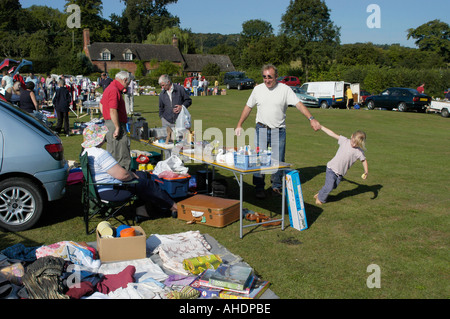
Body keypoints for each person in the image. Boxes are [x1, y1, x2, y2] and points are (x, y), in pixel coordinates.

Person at [235, 64, 321, 199]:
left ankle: (276, 186)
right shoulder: (257, 90)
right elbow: (248, 107)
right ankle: (259, 188)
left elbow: (299, 105)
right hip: (261, 128)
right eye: (264, 77)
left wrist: (311, 119)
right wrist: (239, 124)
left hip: (278, 131)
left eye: (270, 77)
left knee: (278, 161)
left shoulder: (285, 90)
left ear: (276, 77)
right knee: (259, 160)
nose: (267, 80)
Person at [81, 124, 177, 214]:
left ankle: (143, 211)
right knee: (145, 183)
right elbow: (123, 175)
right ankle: (172, 206)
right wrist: (132, 175)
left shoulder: (86, 152)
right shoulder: (99, 153)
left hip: (97, 189)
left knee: (142, 175)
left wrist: (133, 174)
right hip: (110, 191)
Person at [314, 125, 369, 205]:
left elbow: (364, 160)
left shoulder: (359, 152)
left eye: (356, 144)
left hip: (340, 173)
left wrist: (366, 171)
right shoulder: (345, 141)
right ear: (352, 136)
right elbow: (332, 134)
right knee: (329, 186)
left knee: (333, 186)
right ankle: (320, 199)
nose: (354, 145)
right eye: (353, 142)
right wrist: (321, 127)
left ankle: (320, 194)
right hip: (331, 168)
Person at [100, 71, 131, 170]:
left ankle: (116, 177)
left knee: (113, 151)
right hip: (115, 124)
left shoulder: (110, 87)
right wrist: (117, 127)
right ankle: (123, 178)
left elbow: (101, 104)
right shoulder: (114, 90)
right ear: (125, 79)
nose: (128, 85)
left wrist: (106, 117)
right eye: (128, 82)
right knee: (121, 153)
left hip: (110, 122)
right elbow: (113, 110)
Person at [158, 74, 192, 141]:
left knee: (179, 143)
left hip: (179, 121)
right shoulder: (162, 94)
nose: (162, 87)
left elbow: (188, 100)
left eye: (163, 85)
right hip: (166, 121)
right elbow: (161, 108)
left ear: (168, 82)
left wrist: (182, 107)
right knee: (167, 143)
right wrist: (162, 117)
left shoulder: (180, 89)